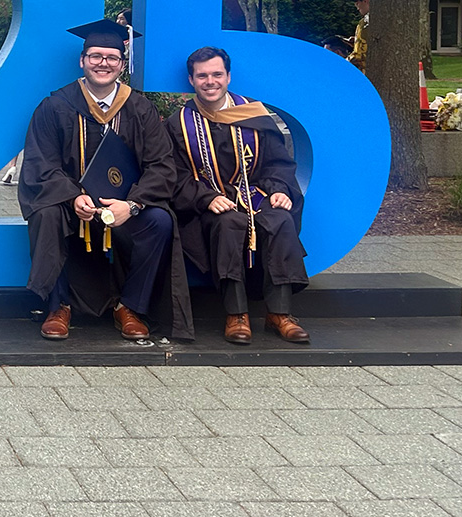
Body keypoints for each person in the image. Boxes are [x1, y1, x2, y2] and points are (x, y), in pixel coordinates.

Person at [20, 19, 193, 342]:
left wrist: (134, 203)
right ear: (82, 60)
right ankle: (58, 306)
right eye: (96, 56)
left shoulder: (139, 109)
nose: (103, 63)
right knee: (45, 213)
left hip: (124, 205)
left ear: (122, 65)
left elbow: (162, 166)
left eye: (111, 58)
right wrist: (72, 196)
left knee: (159, 221)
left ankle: (129, 307)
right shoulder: (56, 106)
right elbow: (40, 163)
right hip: (73, 206)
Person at [167, 47, 310, 345]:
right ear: (191, 81)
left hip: (257, 196)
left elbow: (278, 163)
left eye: (217, 74)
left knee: (280, 220)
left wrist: (280, 190)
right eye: (202, 75)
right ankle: (236, 314)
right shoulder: (179, 124)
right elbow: (174, 175)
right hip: (210, 204)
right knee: (229, 223)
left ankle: (279, 314)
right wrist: (205, 198)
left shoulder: (254, 114)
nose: (210, 81)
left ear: (228, 77)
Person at [347, 0, 370, 70]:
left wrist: (342, 64)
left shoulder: (365, 23)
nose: (357, 7)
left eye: (357, 2)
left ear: (365, 1)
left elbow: (359, 55)